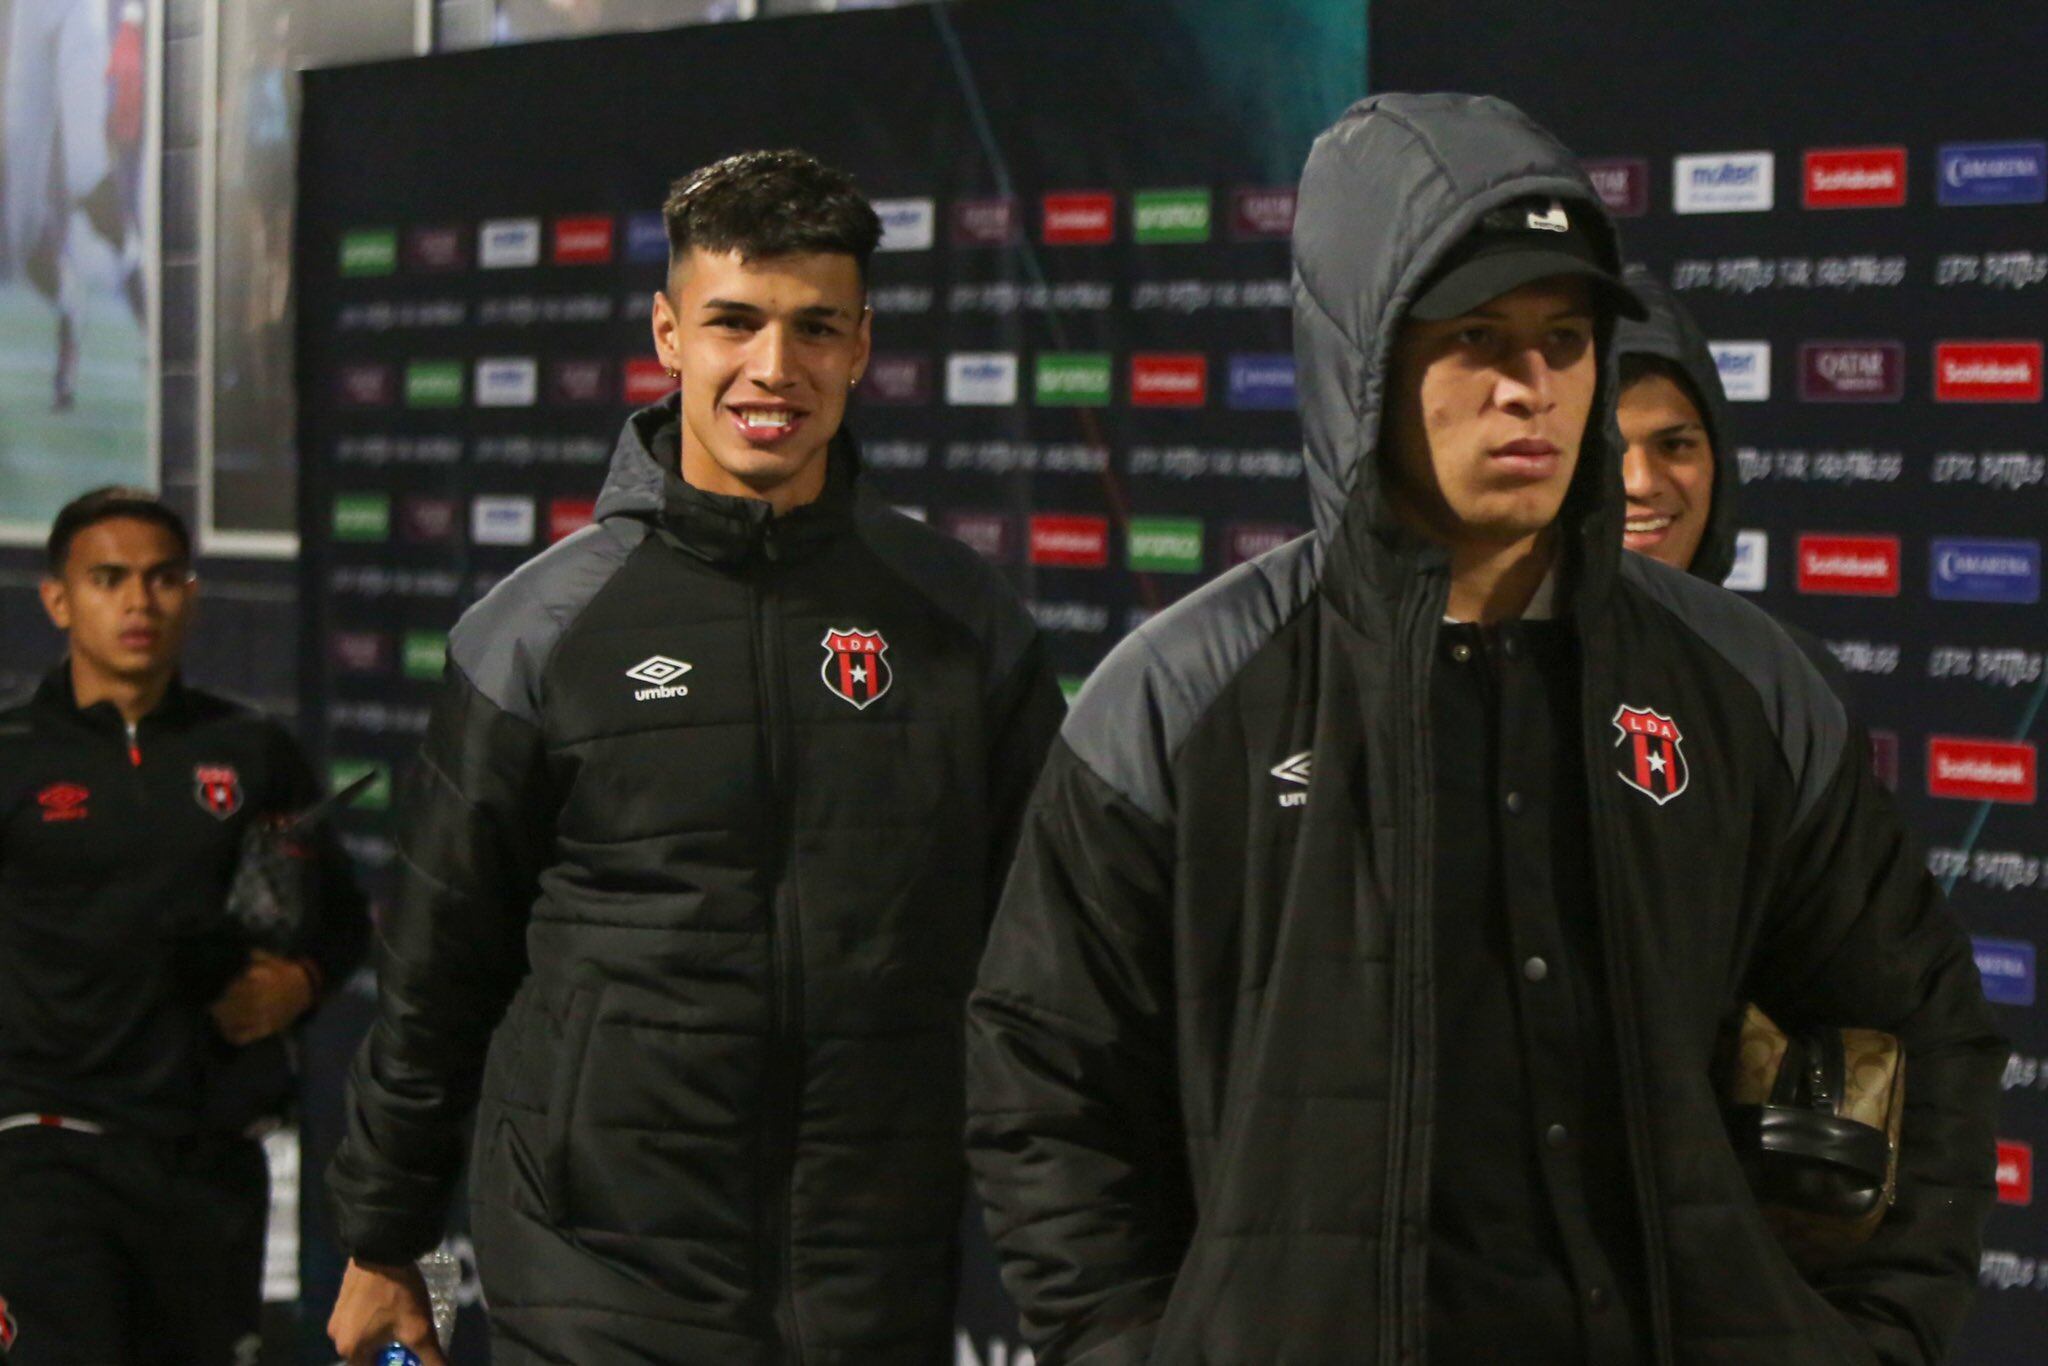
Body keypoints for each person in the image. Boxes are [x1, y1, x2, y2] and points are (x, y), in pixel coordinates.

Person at [966, 94, 2002, 1364]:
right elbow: (1047, 1091)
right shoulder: (1180, 699)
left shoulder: (1744, 685)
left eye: (1563, 340)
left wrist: (1867, 1337)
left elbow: (1921, 1032)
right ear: (1365, 359)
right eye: (1474, 339)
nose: (1530, 390)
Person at [324, 150, 1065, 1366]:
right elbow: (435, 969)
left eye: (814, 327)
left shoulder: (961, 623)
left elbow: (1046, 955)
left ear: (862, 346)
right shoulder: (539, 629)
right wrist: (380, 1235)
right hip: (593, 1271)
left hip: (869, 1267)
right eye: (734, 322)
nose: (774, 369)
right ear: (668, 333)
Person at [0, 487, 368, 1364]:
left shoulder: (252, 751)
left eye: (164, 578)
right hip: (49, 1150)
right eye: (110, 579)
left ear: (192, 594)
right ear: (57, 599)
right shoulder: (11, 756)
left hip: (210, 1160)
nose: (139, 602)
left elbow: (345, 920)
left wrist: (300, 983)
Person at [1613, 264, 1851, 697]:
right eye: (1608, 452)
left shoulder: (1793, 679)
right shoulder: (1501, 682)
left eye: (1675, 446)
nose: (1642, 482)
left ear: (1718, 458)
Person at [2, 0, 148, 411]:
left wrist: (133, 21)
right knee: (23, 232)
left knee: (87, 173)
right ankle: (70, 304)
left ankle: (152, 329)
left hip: (79, 8)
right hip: (24, 16)